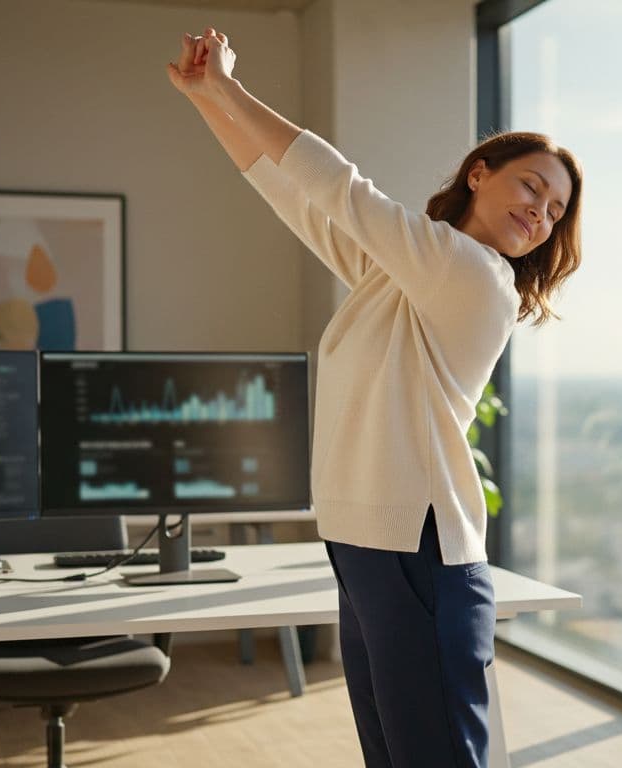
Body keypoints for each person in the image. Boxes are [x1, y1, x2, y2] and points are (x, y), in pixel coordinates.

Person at [167, 27, 582, 768]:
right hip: (367, 544)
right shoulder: (406, 268)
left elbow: (339, 187)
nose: (542, 213)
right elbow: (292, 191)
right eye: (532, 187)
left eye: (555, 211)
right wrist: (206, 99)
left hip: (420, 551)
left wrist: (228, 89)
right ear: (481, 173)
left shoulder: (475, 276)